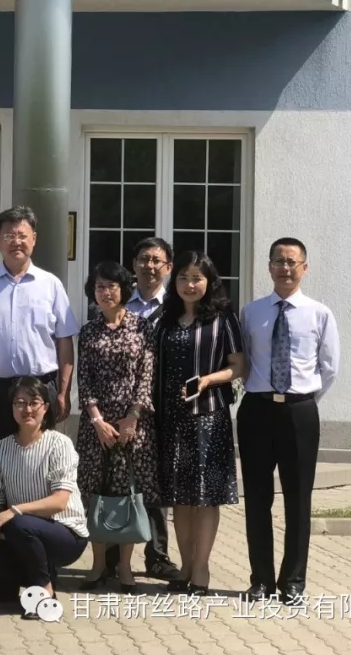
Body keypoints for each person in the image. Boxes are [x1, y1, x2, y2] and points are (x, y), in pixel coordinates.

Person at [239, 238, 339, 606]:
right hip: (257, 410)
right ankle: (261, 580)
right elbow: (245, 360)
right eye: (279, 261)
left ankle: (294, 581)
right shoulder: (252, 312)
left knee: (298, 499)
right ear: (269, 266)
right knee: (257, 498)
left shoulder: (319, 313)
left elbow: (329, 367)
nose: (285, 268)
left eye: (292, 262)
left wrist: (303, 401)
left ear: (304, 268)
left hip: (299, 412)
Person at [154, 251, 245, 596]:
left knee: (206, 497)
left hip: (208, 418)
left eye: (197, 278)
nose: (189, 285)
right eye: (183, 277)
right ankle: (186, 564)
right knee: (179, 497)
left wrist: (207, 380)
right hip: (171, 420)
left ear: (209, 282)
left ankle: (202, 567)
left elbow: (238, 366)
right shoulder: (165, 320)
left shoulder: (223, 319)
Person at [0, 377, 89, 620]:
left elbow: (59, 502)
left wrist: (15, 510)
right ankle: (41, 575)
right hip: (23, 532)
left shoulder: (59, 444)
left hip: (66, 534)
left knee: (20, 524)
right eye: (20, 402)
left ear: (45, 407)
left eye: (34, 402)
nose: (27, 409)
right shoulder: (1, 449)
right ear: (12, 408)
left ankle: (45, 595)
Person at [0, 206, 79, 455]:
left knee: (41, 459)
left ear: (34, 239)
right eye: (9, 235)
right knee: (0, 458)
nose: (16, 242)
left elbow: (64, 341)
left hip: (41, 387)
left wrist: (63, 392)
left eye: (22, 235)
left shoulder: (51, 285)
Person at [76, 261, 159, 594]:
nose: (105, 292)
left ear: (124, 289)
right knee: (95, 492)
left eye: (111, 286)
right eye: (99, 286)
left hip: (132, 425)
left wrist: (133, 417)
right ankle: (98, 565)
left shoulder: (142, 328)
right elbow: (84, 378)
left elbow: (146, 375)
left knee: (128, 494)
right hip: (96, 426)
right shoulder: (89, 331)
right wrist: (97, 420)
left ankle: (125, 567)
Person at [106, 237, 181, 583]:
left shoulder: (177, 307)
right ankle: (111, 555)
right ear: (134, 265)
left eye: (156, 260)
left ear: (168, 267)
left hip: (164, 406)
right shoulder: (120, 304)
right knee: (115, 480)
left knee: (154, 483)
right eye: (143, 259)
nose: (149, 266)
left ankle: (157, 555)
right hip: (121, 408)